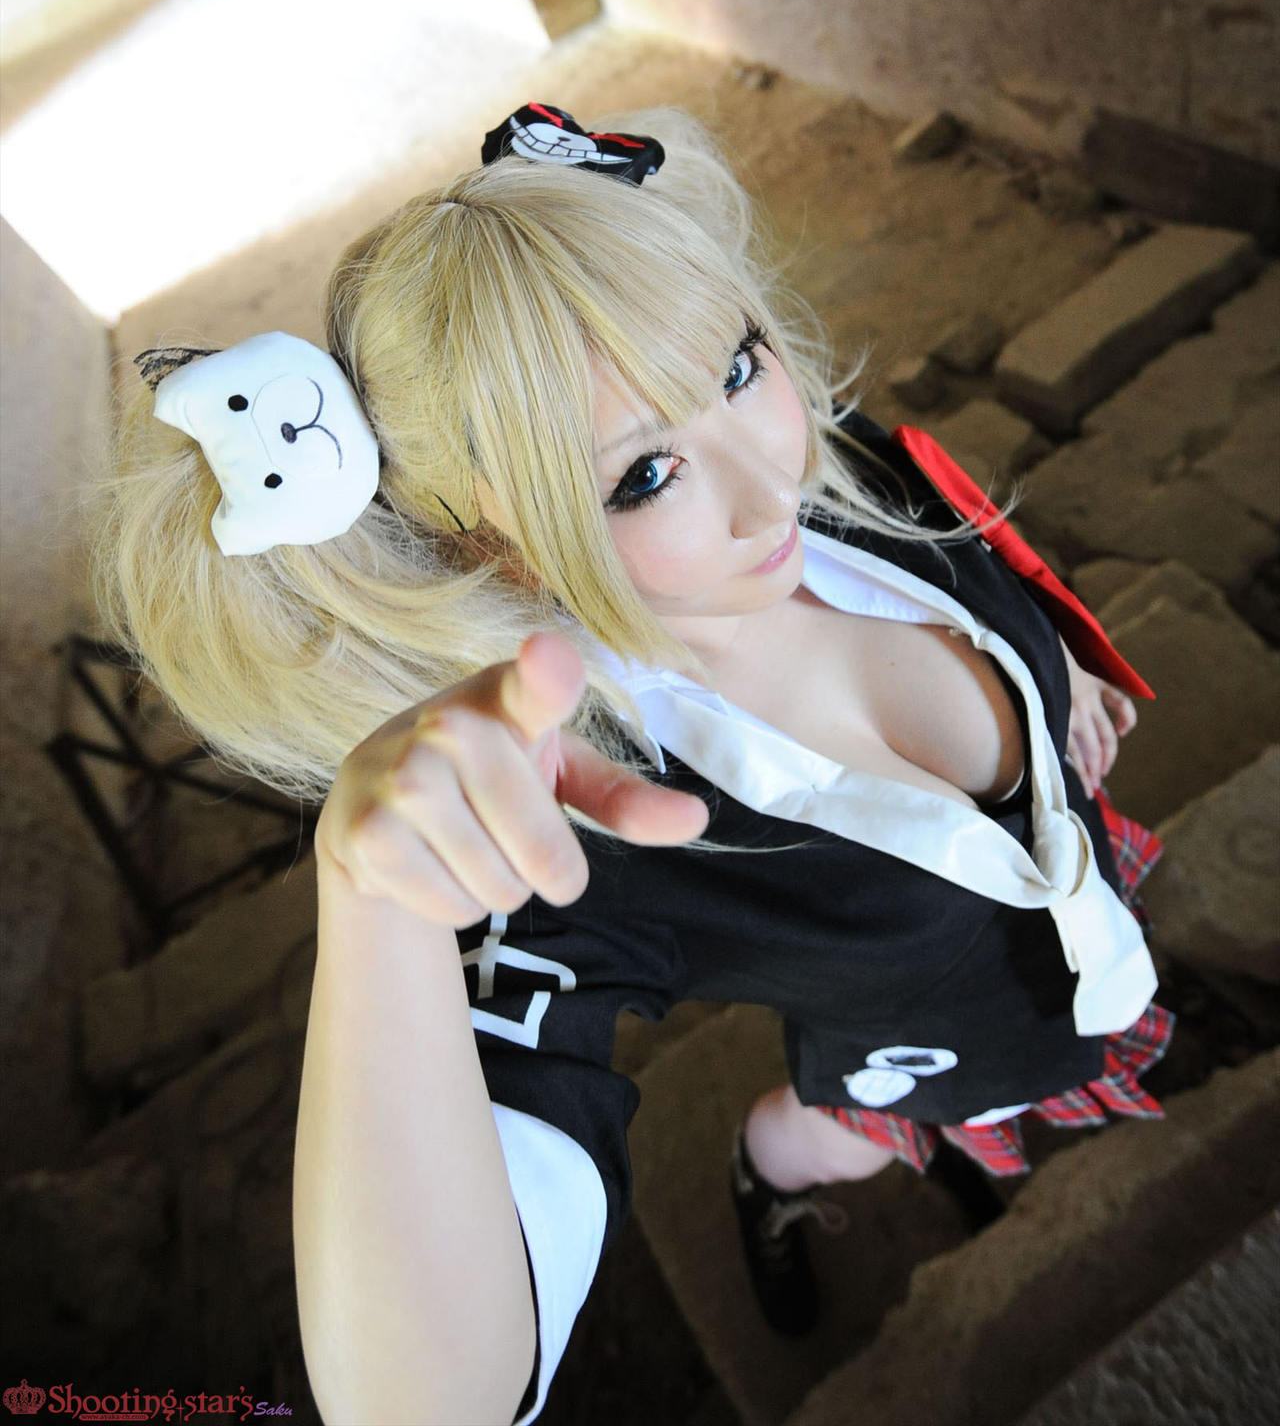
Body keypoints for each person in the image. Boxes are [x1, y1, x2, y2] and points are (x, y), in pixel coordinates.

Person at [88, 101, 1171, 1426]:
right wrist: (374, 905)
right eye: (645, 476)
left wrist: (1058, 687)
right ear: (492, 548)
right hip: (927, 1061)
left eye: (738, 368)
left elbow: (972, 549)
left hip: (1083, 925)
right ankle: (764, 1176)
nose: (771, 486)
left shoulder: (836, 477)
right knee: (831, 1140)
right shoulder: (585, 836)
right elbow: (429, 1403)